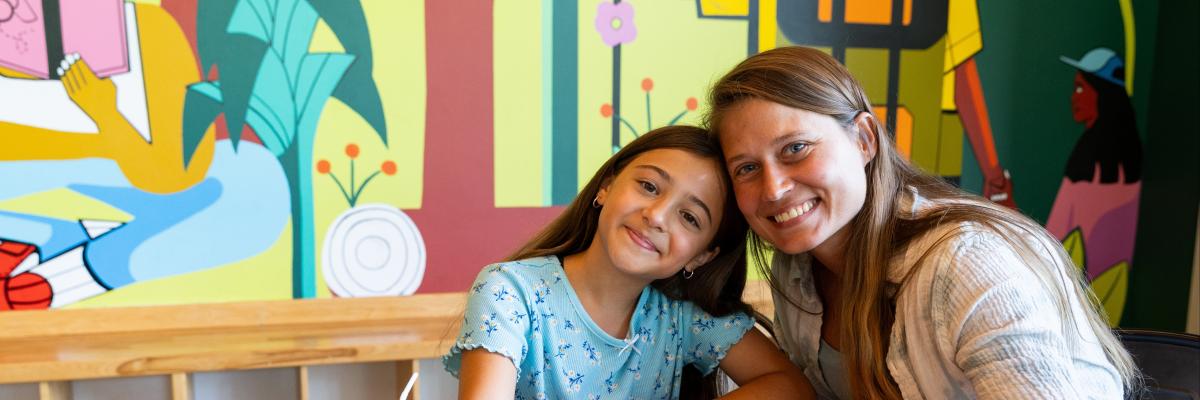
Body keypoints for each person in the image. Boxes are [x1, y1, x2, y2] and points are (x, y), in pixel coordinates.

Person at [705, 46, 1139, 399]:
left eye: (795, 148)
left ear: (864, 140)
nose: (774, 189)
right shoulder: (796, 266)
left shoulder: (968, 263)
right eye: (746, 168)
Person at [442, 126, 811, 399]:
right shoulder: (510, 292)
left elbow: (790, 387)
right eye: (649, 186)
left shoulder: (683, 319)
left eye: (689, 217)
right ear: (607, 186)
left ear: (701, 255)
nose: (656, 216)